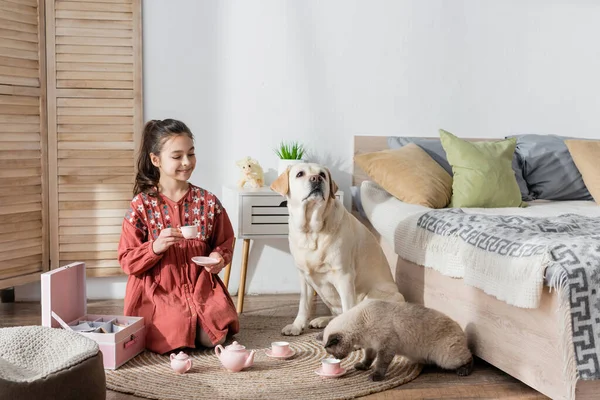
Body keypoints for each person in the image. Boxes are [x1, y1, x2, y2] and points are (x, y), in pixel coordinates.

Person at [118, 118, 239, 354]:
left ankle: (197, 322)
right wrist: (155, 247)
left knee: (211, 337)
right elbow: (126, 259)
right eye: (177, 156)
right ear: (156, 160)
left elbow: (224, 242)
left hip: (201, 287)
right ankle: (179, 324)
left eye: (191, 154)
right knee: (174, 332)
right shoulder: (141, 206)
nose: (187, 162)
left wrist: (217, 257)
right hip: (158, 291)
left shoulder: (208, 202)